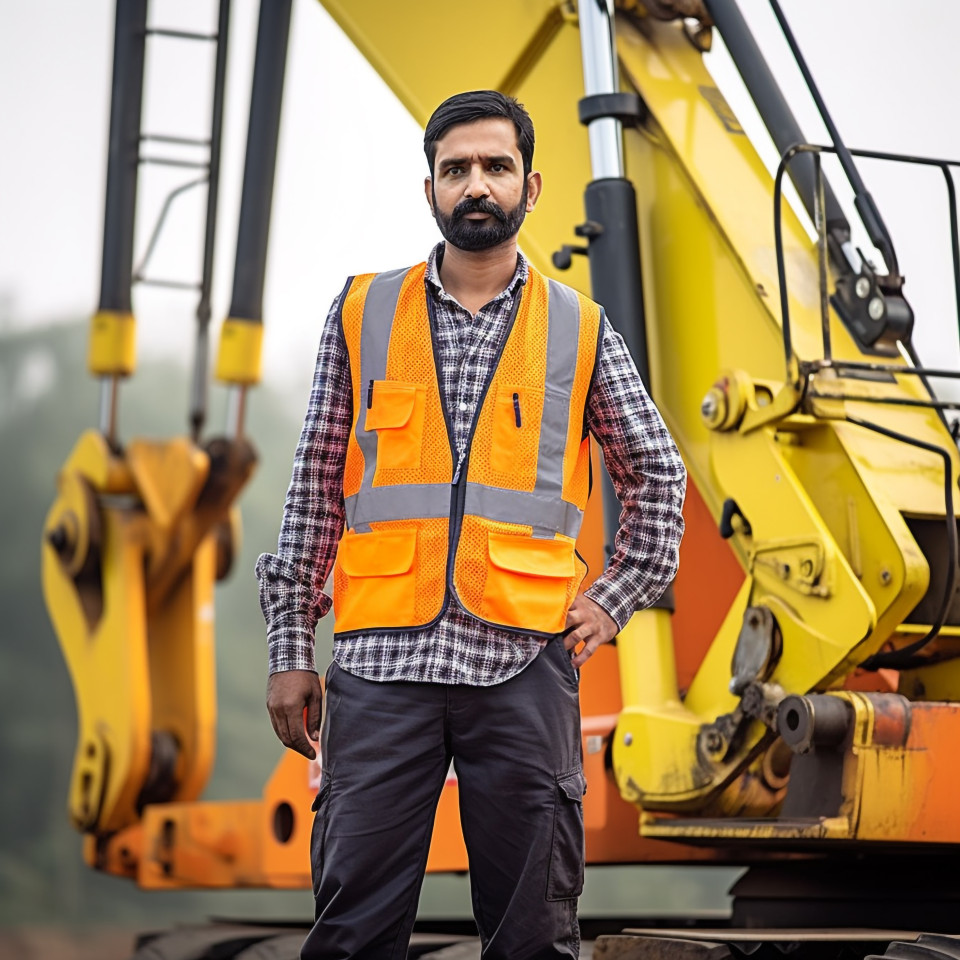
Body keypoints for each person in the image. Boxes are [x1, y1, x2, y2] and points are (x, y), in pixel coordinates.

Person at [256, 90, 685, 960]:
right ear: (430, 191)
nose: (476, 185)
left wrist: (611, 601)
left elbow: (659, 477)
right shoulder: (362, 312)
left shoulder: (580, 328)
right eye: (457, 170)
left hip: (524, 667)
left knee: (532, 938)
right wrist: (291, 649)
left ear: (530, 186)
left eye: (495, 167)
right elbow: (313, 489)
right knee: (351, 936)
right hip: (380, 669)